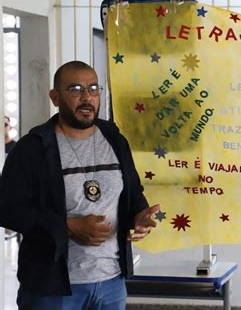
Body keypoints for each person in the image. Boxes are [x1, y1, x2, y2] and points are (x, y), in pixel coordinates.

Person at [0, 61, 160, 310]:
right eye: (75, 89)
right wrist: (67, 227)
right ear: (55, 97)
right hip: (52, 288)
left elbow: (132, 191)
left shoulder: (114, 139)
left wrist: (139, 215)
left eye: (93, 89)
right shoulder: (32, 148)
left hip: (111, 281)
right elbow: (7, 210)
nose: (87, 97)